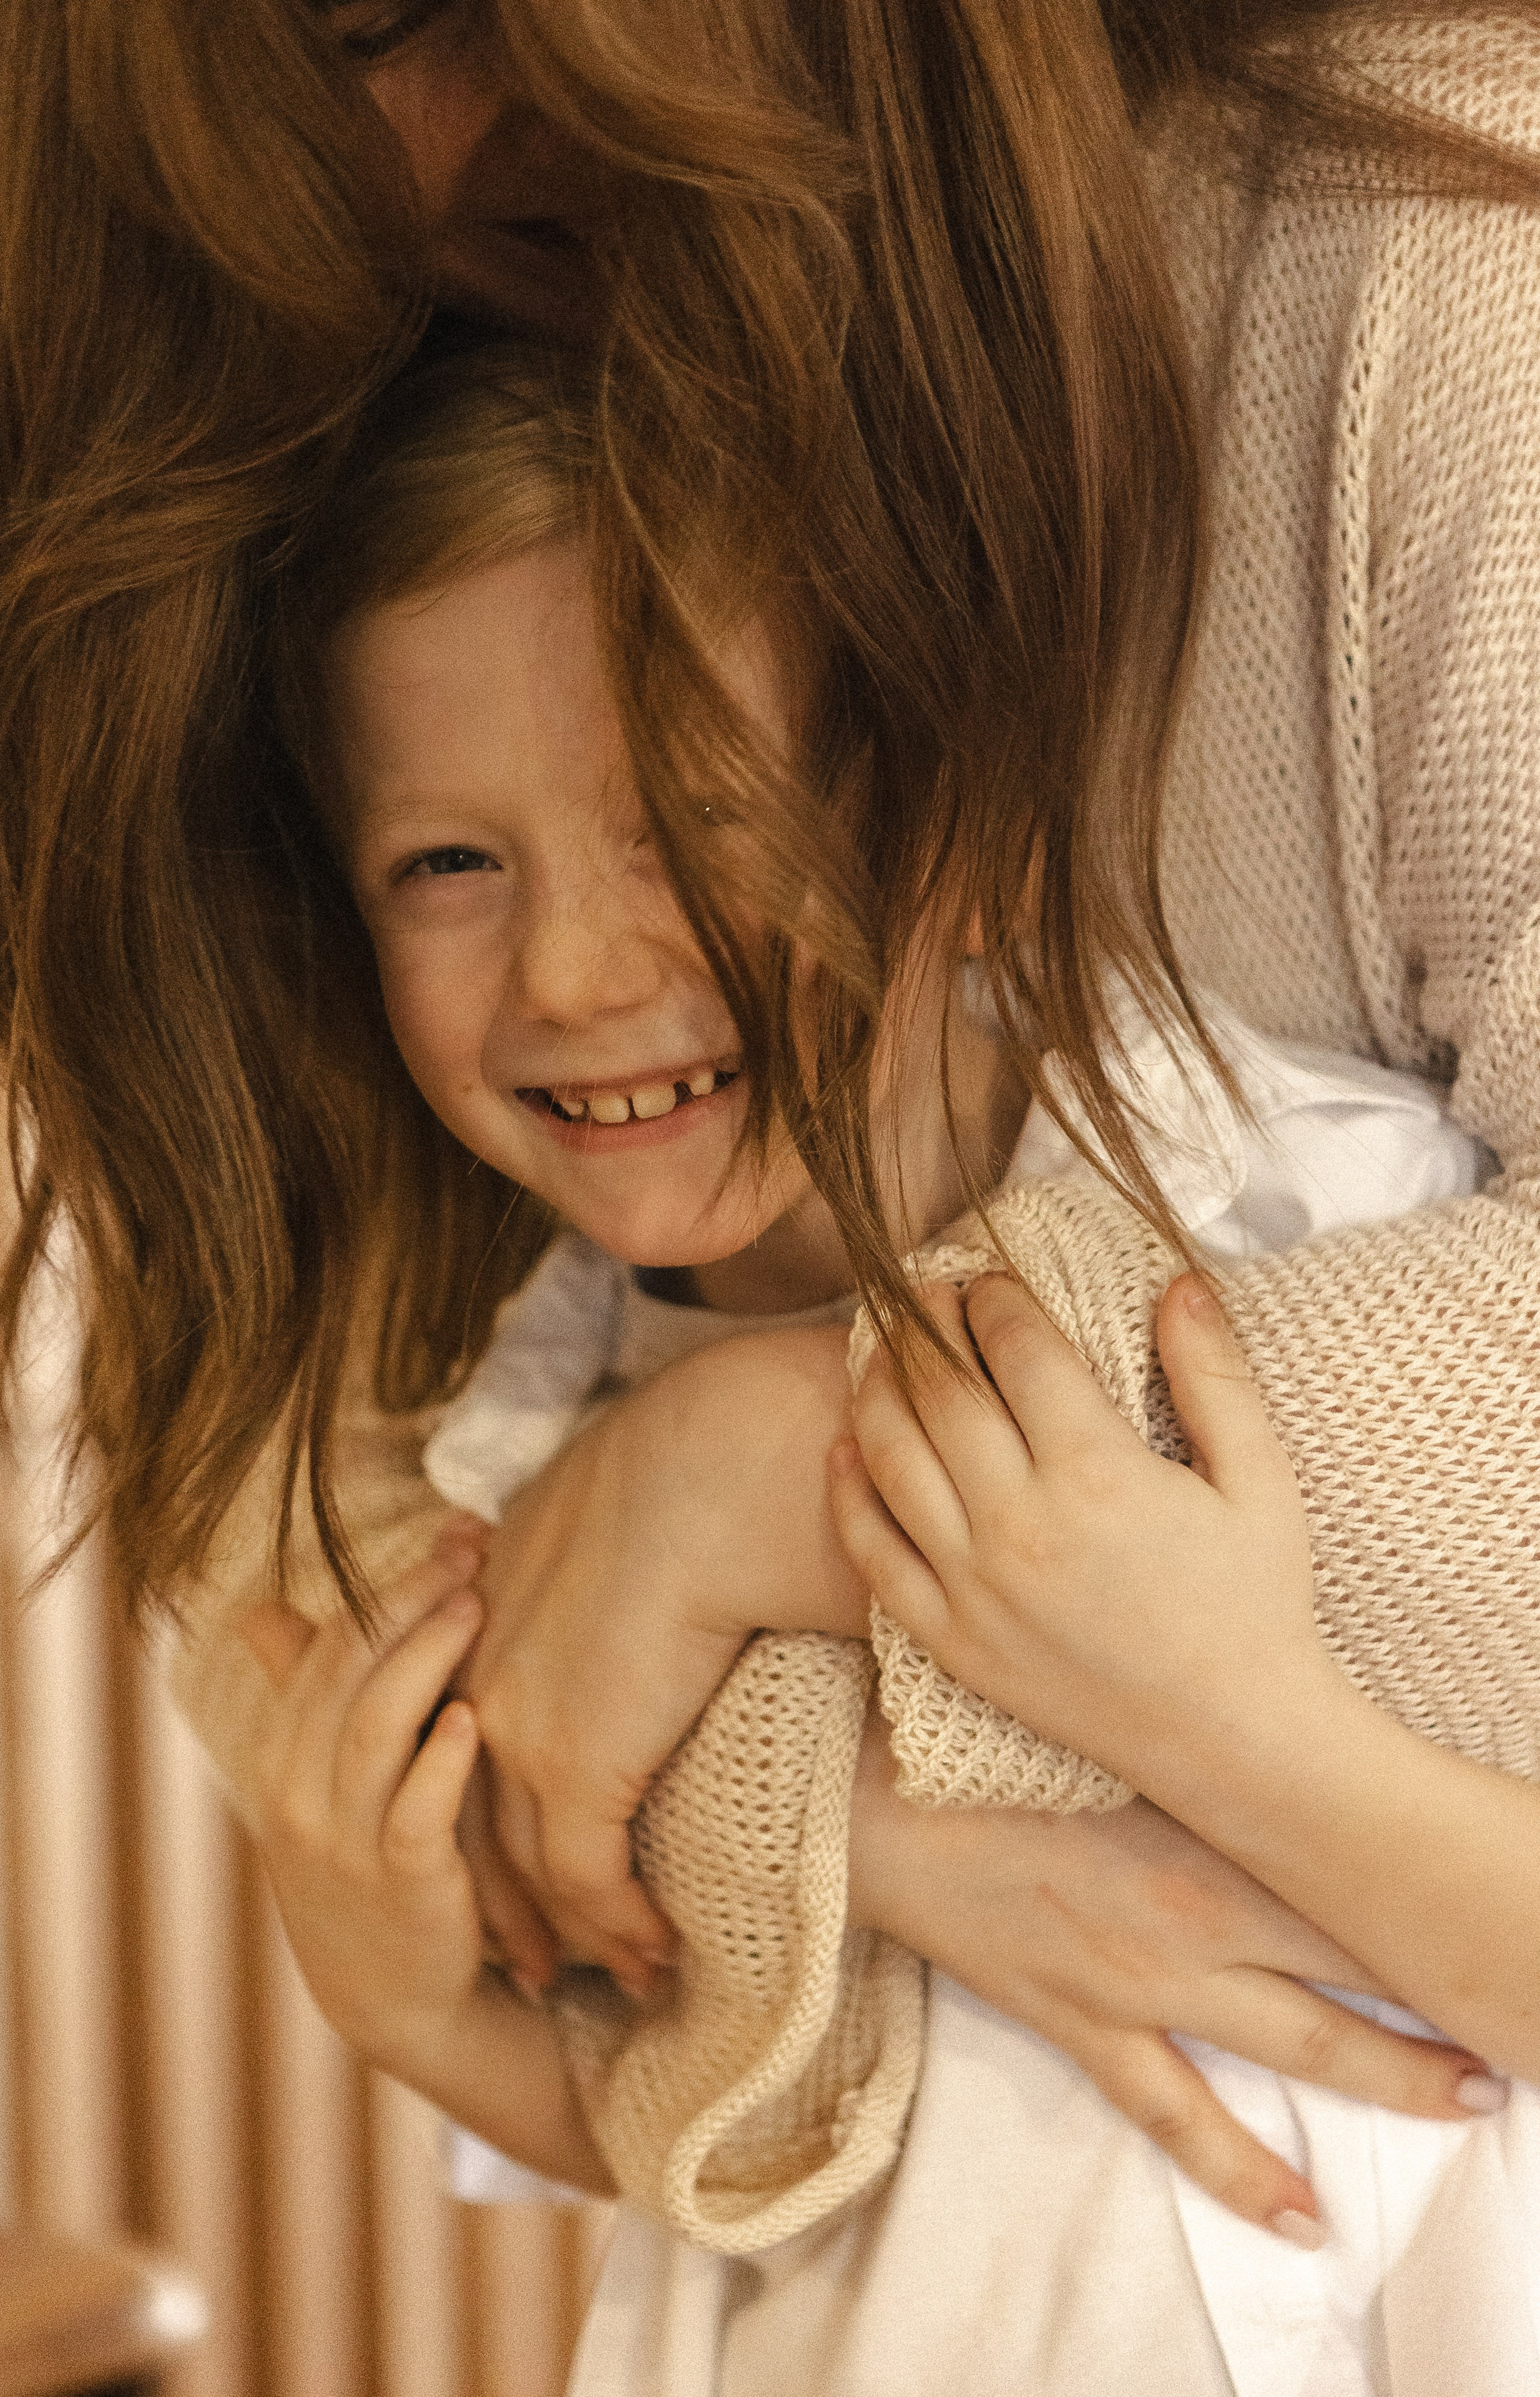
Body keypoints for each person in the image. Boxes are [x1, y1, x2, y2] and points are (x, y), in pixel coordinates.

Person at [0, 0, 1540, 2355]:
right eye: (445, 868)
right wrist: (804, 1838)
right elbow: (318, 1542)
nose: (358, 158)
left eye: (387, 30)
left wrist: (780, 1475)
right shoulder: (426, 396)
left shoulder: (1418, 301)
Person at [239, 345, 1536, 2397]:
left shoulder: (1292, 1238)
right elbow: (722, 2144)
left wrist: (1233, 1722)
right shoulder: (507, 1472)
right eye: (449, 866)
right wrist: (425, 2017)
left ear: (985, 826)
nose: (575, 971)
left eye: (691, 815)